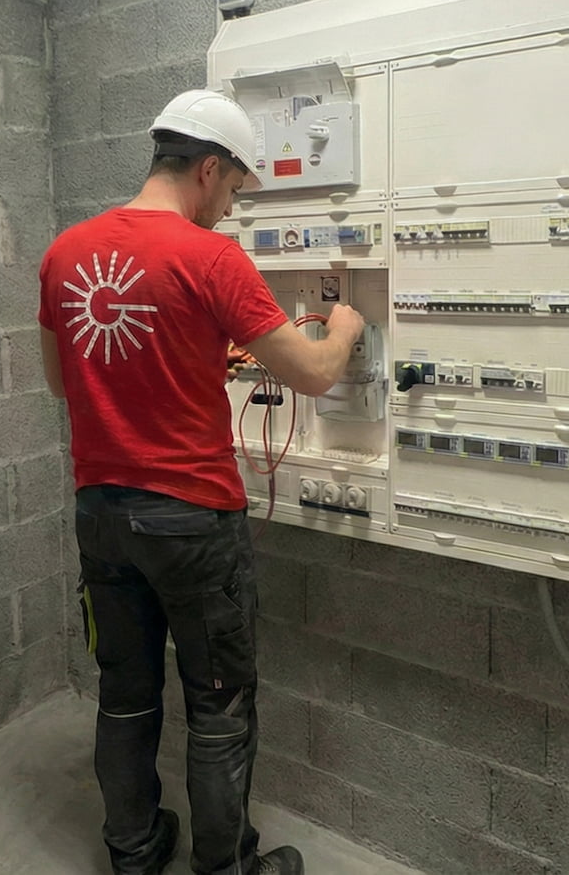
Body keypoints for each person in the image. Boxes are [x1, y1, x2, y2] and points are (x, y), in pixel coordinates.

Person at [38, 90, 365, 875]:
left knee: (125, 693)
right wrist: (345, 329)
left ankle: (136, 850)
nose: (228, 209)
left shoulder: (64, 251)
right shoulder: (209, 256)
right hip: (191, 523)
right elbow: (316, 374)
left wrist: (183, 361)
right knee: (218, 705)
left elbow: (64, 382)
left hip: (101, 515)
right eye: (232, 192)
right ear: (208, 169)